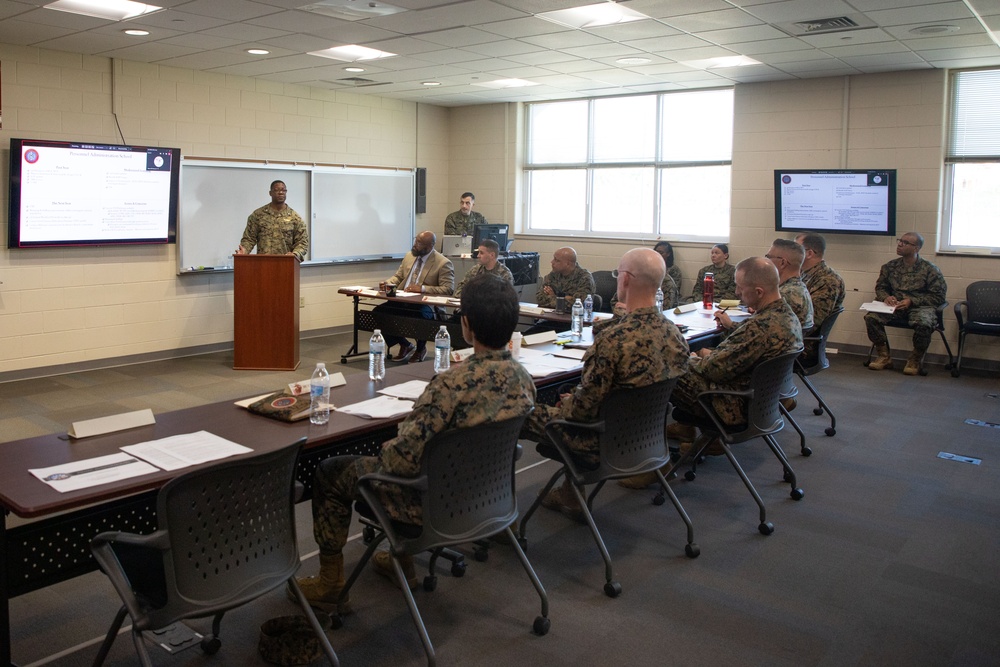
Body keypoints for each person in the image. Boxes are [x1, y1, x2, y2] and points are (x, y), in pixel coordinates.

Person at [295, 275, 535, 609]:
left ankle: (331, 582)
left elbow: (400, 462)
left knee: (331, 470)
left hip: (430, 505)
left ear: (465, 325)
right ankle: (401, 563)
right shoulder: (524, 379)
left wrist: (385, 448)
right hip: (484, 497)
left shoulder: (449, 385)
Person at [520, 248, 690, 518]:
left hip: (601, 442)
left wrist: (572, 400)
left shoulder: (613, 342)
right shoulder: (675, 334)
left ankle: (496, 509)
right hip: (644, 439)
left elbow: (580, 412)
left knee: (516, 411)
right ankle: (570, 492)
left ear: (625, 280)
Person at [670, 257, 803, 456]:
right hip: (760, 403)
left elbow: (714, 370)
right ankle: (698, 436)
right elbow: (735, 357)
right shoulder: (787, 316)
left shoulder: (760, 327)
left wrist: (692, 356)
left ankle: (646, 449)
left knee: (663, 365)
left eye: (740, 288)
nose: (737, 293)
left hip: (732, 406)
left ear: (759, 291)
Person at [865, 232, 947, 375]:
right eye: (900, 241)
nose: (900, 244)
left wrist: (912, 301)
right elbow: (881, 287)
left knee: (924, 323)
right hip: (894, 307)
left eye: (905, 242)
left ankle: (915, 359)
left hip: (919, 307)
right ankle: (884, 356)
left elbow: (938, 297)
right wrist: (886, 297)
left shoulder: (930, 270)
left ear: (916, 248)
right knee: (871, 318)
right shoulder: (890, 267)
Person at [377, 231, 455, 363]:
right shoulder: (409, 256)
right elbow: (399, 276)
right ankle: (405, 345)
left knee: (420, 316)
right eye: (415, 241)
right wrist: (388, 283)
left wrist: (423, 288)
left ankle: (420, 349)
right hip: (403, 299)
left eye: (419, 243)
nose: (415, 245)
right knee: (379, 313)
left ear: (430, 246)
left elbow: (448, 289)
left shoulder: (443, 263)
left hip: (426, 304)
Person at [795, 232, 846, 363]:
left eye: (795, 249)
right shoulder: (804, 275)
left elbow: (811, 322)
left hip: (803, 347)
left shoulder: (828, 280)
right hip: (795, 339)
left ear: (809, 253)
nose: (791, 253)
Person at [235, 180, 308, 261]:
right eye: (277, 190)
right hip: (263, 265)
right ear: (270, 193)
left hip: (286, 265)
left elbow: (302, 242)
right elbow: (249, 238)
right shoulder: (258, 215)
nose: (281, 192)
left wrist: (295, 254)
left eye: (283, 190)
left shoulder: (295, 218)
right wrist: (244, 251)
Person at [766, 238, 814, 333]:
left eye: (768, 257)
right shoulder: (798, 287)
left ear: (783, 263)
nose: (766, 262)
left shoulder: (786, 294)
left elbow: (761, 330)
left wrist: (729, 323)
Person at [654, 240, 683, 307]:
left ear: (668, 254)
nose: (658, 255)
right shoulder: (650, 268)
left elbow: (673, 290)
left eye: (661, 252)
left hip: (668, 299)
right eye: (656, 252)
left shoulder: (674, 270)